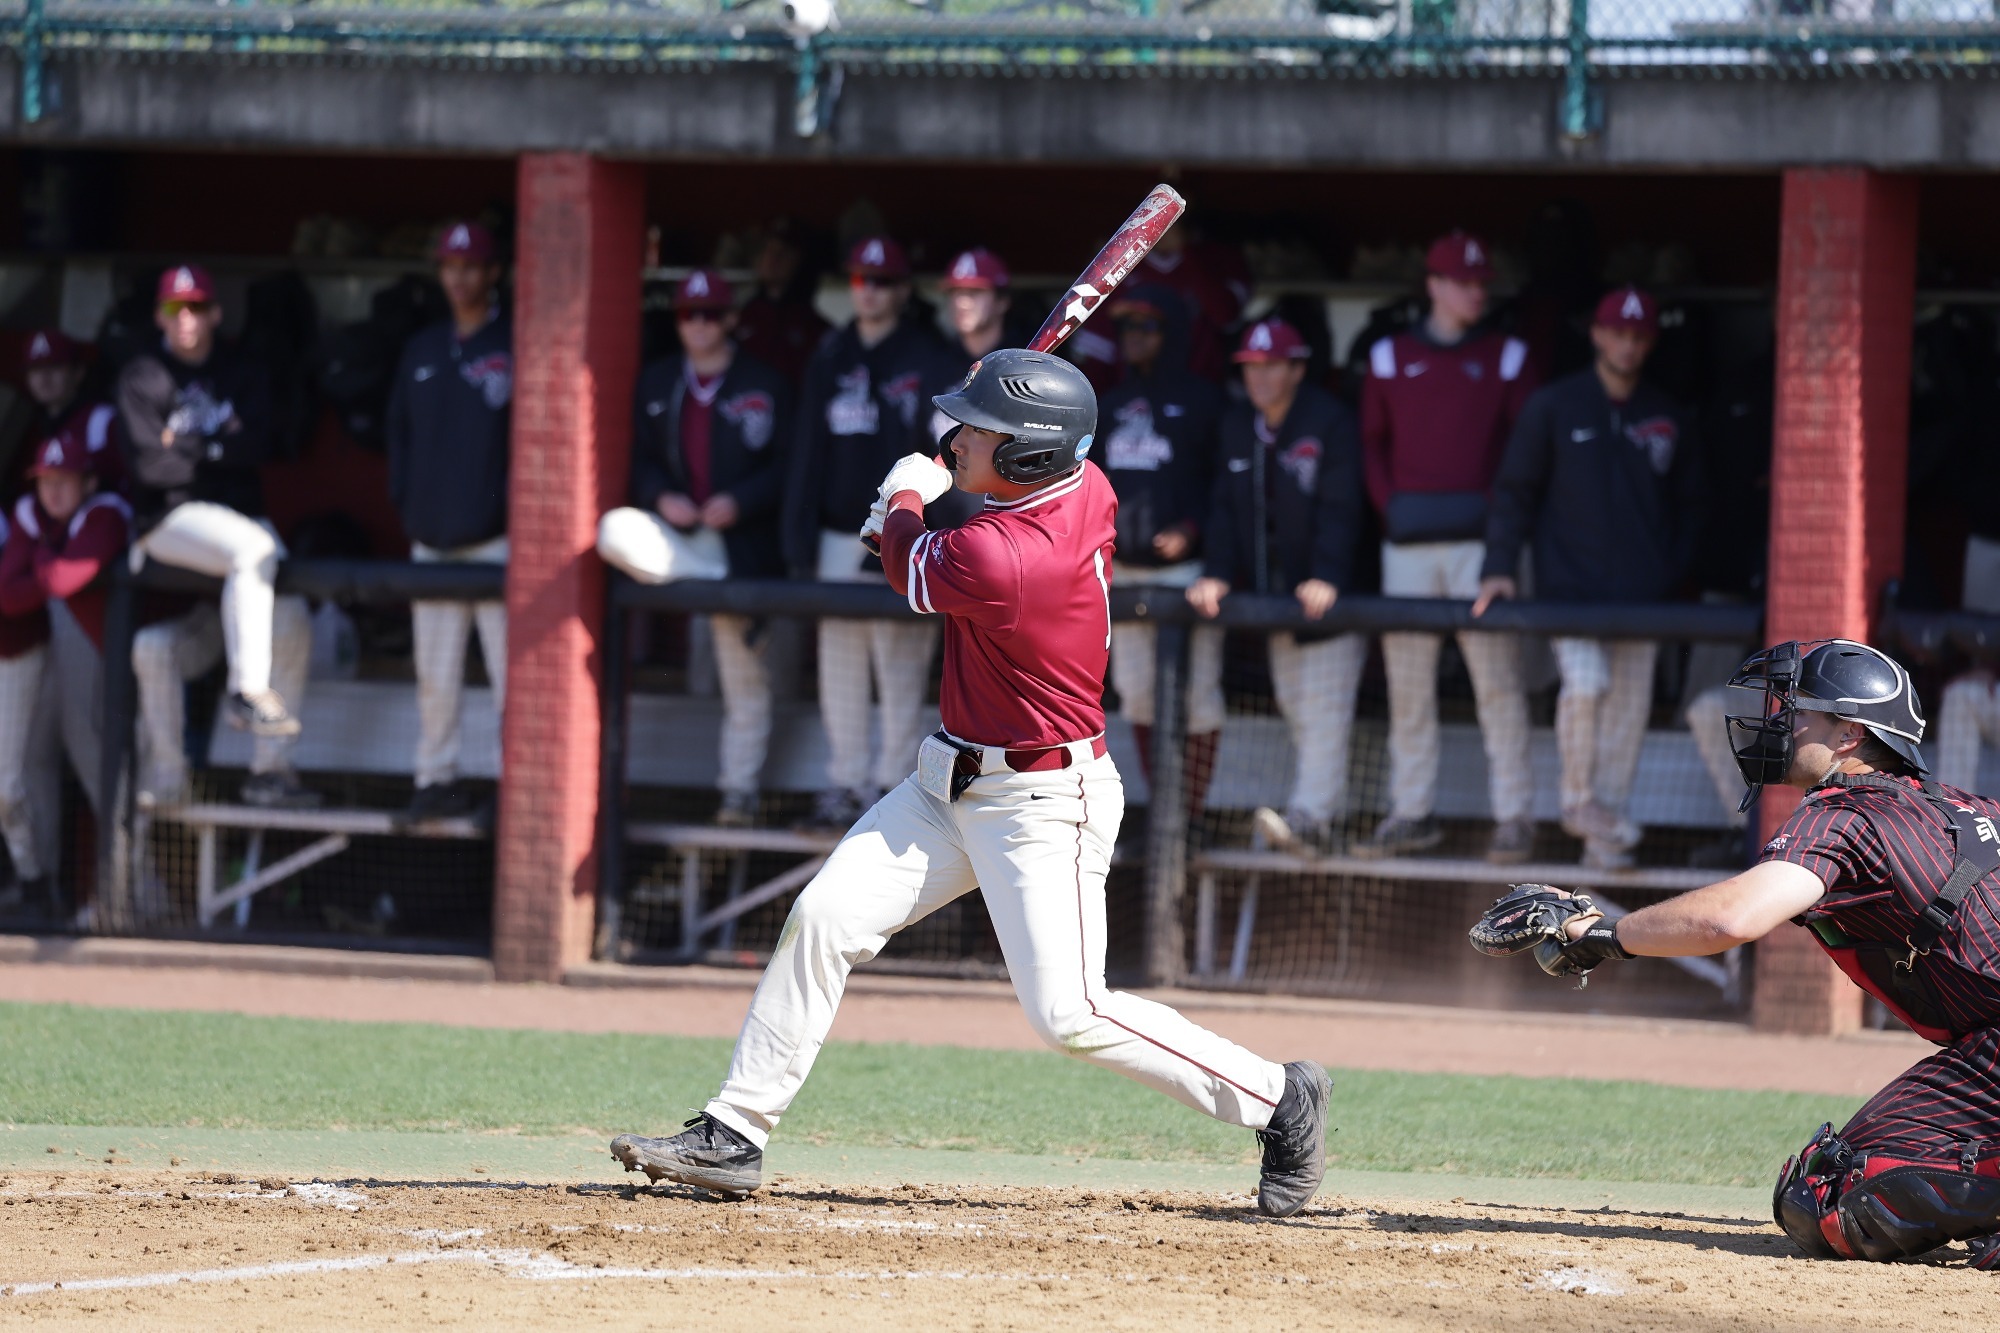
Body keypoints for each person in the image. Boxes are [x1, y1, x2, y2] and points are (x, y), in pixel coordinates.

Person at [610, 349, 1332, 1219]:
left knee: (1071, 1013)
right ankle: (735, 1129)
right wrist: (932, 493)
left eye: (975, 430)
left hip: (1042, 805)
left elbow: (913, 565)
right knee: (825, 917)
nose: (953, 439)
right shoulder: (1084, 483)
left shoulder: (1007, 559)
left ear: (1029, 456)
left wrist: (901, 500)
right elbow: (950, 528)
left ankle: (1279, 1097)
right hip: (943, 782)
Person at [1472, 639, 2000, 1268]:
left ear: (1850, 736)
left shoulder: (1843, 811)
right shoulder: (1968, 807)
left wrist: (1601, 934)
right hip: (1986, 1048)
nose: (1780, 722)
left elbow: (1731, 918)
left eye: (1799, 710)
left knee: (1825, 1196)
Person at [1475, 286, 1700, 869]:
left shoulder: (1666, 413)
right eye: (1617, 333)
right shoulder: (1554, 405)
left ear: (1649, 342)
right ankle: (1576, 801)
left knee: (1627, 715)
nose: (1627, 344)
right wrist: (1499, 567)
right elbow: (1514, 493)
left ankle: (1605, 837)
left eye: (1638, 335)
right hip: (1567, 593)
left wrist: (1670, 574)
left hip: (1642, 599)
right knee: (1586, 683)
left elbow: (1692, 505)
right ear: (1596, 334)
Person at [1358, 231, 1538, 865]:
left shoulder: (1508, 354)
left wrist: (1501, 535)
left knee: (1498, 686)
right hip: (1408, 544)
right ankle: (1411, 812)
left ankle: (1514, 817)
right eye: (1463, 281)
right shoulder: (1386, 356)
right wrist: (1392, 509)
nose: (1475, 292)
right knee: (1408, 689)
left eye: (1481, 282)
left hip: (1481, 550)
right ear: (1433, 285)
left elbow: (1523, 455)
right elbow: (1371, 447)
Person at [782, 235, 969, 831]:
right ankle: (843, 784)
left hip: (905, 531)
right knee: (841, 665)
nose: (871, 292)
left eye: (883, 281)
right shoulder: (831, 353)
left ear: (904, 289)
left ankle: (893, 790)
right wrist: (798, 539)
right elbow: (806, 451)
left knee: (899, 666)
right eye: (862, 280)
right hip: (841, 533)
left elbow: (948, 460)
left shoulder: (929, 356)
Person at [598, 269, 793, 826]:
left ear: (731, 319)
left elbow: (789, 466)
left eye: (711, 314)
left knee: (743, 683)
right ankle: (712, 587)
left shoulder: (765, 382)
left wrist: (741, 499)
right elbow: (639, 461)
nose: (700, 325)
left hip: (741, 543)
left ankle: (738, 792)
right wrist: (662, 498)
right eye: (689, 314)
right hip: (686, 545)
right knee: (613, 530)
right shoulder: (659, 381)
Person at [118, 263, 316, 810]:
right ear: (160, 315)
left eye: (198, 307)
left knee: (293, 617)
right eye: (176, 309)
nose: (187, 319)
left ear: (215, 313)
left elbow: (255, 446)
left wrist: (182, 447)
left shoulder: (241, 369)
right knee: (252, 550)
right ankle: (238, 699)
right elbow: (151, 470)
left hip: (236, 517)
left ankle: (270, 770)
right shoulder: (143, 376)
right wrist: (213, 448)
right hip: (170, 520)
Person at [1189, 319, 1368, 855]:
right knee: (1295, 704)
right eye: (1251, 367)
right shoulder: (1239, 424)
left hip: (1330, 601)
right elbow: (1224, 508)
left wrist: (1329, 575)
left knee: (1323, 711)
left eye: (1271, 366)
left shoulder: (1329, 421)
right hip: (1275, 601)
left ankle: (1311, 818)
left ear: (1297, 369)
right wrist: (1218, 570)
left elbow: (1343, 509)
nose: (1259, 377)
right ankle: (1314, 816)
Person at [386, 222, 512, 823]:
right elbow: (398, 438)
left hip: (496, 544)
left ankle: (510, 788)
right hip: (432, 541)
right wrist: (410, 507)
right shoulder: (423, 348)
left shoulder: (513, 342)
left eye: (471, 266)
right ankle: (435, 779)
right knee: (435, 677)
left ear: (493, 273)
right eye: (450, 266)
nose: (459, 277)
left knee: (511, 680)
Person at [1097, 285, 1224, 832]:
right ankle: (1164, 807)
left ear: (1169, 337)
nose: (1134, 340)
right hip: (1127, 575)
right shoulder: (1113, 403)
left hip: (1188, 576)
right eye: (1127, 330)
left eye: (1145, 330)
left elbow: (1226, 487)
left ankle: (1191, 813)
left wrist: (1193, 529)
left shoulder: (1202, 400)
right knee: (1140, 696)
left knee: (1198, 698)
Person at [0, 434, 131, 915]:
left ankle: (132, 894)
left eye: (65, 481)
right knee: (29, 761)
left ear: (89, 481)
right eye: (46, 482)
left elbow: (58, 580)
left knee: (98, 762)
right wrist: (43, 562)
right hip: (43, 645)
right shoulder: (30, 513)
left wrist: (38, 559)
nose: (52, 492)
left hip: (112, 647)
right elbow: (10, 598)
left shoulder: (106, 511)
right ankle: (40, 884)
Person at [16, 329, 121, 493]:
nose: (44, 378)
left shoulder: (102, 420)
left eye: (54, 367)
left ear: (78, 372)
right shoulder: (31, 429)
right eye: (35, 369)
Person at [733, 219, 828, 389]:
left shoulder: (814, 327)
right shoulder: (741, 318)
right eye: (768, 249)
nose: (772, 258)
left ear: (799, 260)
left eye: (784, 252)